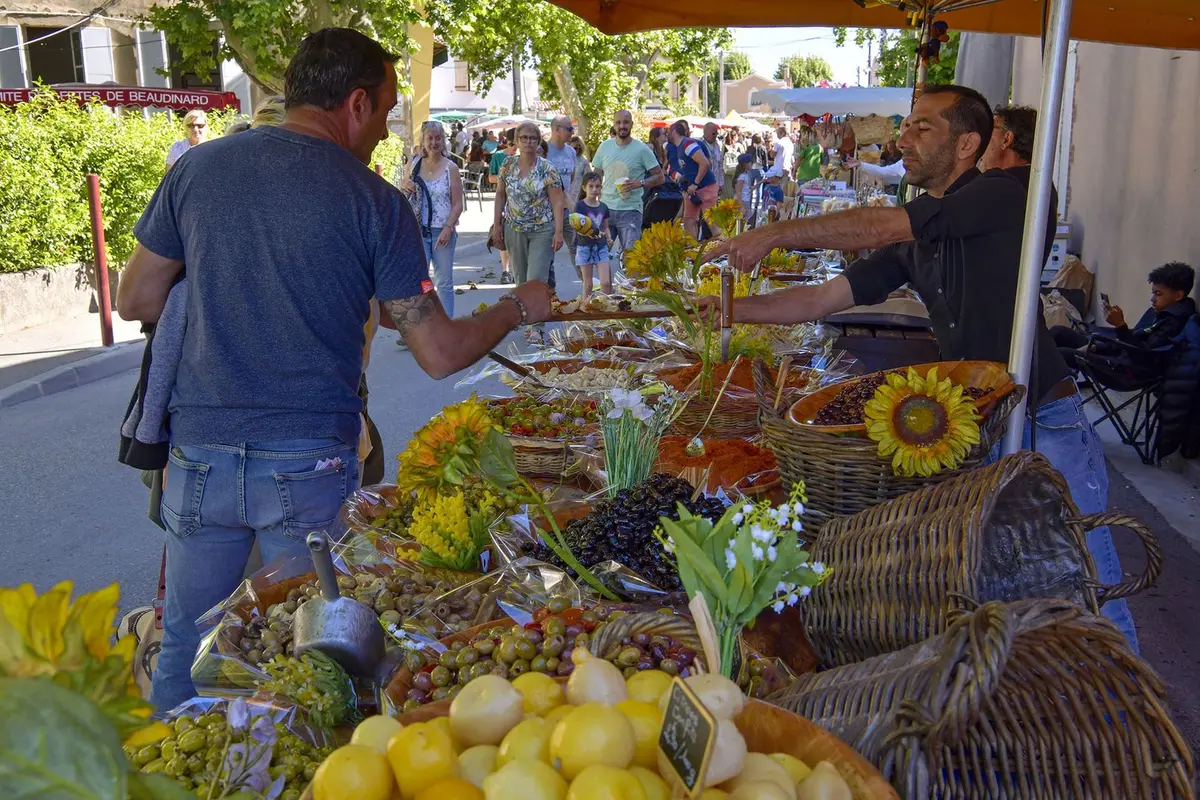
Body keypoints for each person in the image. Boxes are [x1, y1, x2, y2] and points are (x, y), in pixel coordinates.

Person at [116, 27, 552, 710]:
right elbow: (438, 353)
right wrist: (514, 311)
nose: (383, 131)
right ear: (354, 103)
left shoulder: (197, 170)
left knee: (186, 647)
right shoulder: (376, 202)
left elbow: (136, 296)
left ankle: (177, 770)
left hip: (198, 453)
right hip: (307, 463)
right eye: (382, 112)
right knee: (302, 658)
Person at [702, 83, 1139, 652]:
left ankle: (1133, 713)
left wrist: (772, 234)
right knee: (998, 577)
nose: (902, 139)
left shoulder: (1007, 193)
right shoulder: (919, 236)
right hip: (977, 424)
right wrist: (727, 309)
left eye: (922, 127)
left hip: (1041, 417)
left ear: (967, 145)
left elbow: (884, 225)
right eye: (905, 126)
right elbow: (817, 301)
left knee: (1090, 578)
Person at [492, 120, 564, 343]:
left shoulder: (547, 168)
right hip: (514, 228)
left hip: (542, 229)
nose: (529, 142)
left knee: (537, 279)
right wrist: (497, 225)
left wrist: (559, 231)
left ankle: (537, 327)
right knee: (521, 279)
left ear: (539, 141)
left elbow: (557, 201)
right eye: (524, 138)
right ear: (517, 141)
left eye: (533, 138)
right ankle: (524, 318)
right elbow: (500, 195)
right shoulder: (507, 165)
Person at [1054, 262, 1196, 362]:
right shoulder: (1158, 313)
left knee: (1061, 355)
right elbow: (1136, 337)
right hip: (1118, 350)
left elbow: (1143, 356)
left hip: (1125, 368)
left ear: (1178, 296)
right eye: (1153, 293)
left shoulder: (1174, 322)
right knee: (1058, 332)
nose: (1152, 299)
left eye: (1158, 294)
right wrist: (1098, 347)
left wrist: (1120, 326)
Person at [399, 120, 464, 321]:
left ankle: (446, 325)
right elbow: (403, 191)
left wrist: (448, 228)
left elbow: (457, 204)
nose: (434, 142)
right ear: (423, 141)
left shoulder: (450, 168)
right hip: (418, 231)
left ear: (444, 141)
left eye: (438, 138)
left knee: (443, 282)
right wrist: (405, 183)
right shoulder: (415, 163)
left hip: (441, 232)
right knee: (420, 282)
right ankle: (419, 328)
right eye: (430, 138)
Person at [591, 109, 664, 273]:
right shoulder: (605, 147)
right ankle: (606, 293)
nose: (622, 126)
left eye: (625, 122)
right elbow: (596, 174)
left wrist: (639, 183)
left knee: (632, 260)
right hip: (606, 209)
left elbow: (660, 177)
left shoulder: (642, 149)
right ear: (614, 124)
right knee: (598, 256)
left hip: (630, 211)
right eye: (618, 122)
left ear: (631, 124)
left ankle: (631, 295)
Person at [665, 119, 718, 239]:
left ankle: (725, 249)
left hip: (704, 187)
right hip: (693, 190)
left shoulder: (687, 144)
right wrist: (684, 178)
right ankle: (692, 251)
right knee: (689, 219)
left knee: (712, 221)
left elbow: (704, 163)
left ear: (674, 131)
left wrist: (695, 183)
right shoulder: (679, 147)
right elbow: (690, 166)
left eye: (668, 131)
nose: (666, 134)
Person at [544, 115, 579, 286]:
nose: (572, 133)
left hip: (565, 210)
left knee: (577, 247)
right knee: (547, 254)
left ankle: (588, 288)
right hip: (545, 212)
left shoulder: (571, 152)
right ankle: (550, 295)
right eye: (570, 129)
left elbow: (570, 180)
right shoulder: (543, 150)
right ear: (556, 129)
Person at [573, 171, 613, 300]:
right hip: (585, 247)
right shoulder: (580, 206)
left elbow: (605, 226)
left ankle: (605, 310)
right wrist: (589, 233)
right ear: (584, 188)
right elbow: (577, 226)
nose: (594, 189)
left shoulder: (603, 207)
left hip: (601, 247)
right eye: (591, 186)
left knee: (606, 283)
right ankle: (586, 312)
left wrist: (609, 237)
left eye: (597, 186)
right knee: (588, 285)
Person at [980, 104, 1037, 172]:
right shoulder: (1041, 179)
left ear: (1006, 139)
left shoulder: (996, 181)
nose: (982, 137)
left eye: (989, 130)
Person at [702, 122, 726, 199]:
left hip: (715, 184)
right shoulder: (699, 144)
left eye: (716, 133)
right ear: (707, 133)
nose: (716, 135)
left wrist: (721, 183)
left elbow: (720, 165)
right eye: (714, 133)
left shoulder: (717, 145)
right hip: (704, 185)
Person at [733, 152, 756, 223]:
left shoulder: (745, 175)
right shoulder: (741, 177)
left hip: (745, 201)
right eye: (750, 162)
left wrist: (761, 182)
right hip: (742, 201)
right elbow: (738, 192)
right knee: (742, 222)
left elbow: (749, 188)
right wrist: (741, 206)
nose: (752, 164)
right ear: (745, 164)